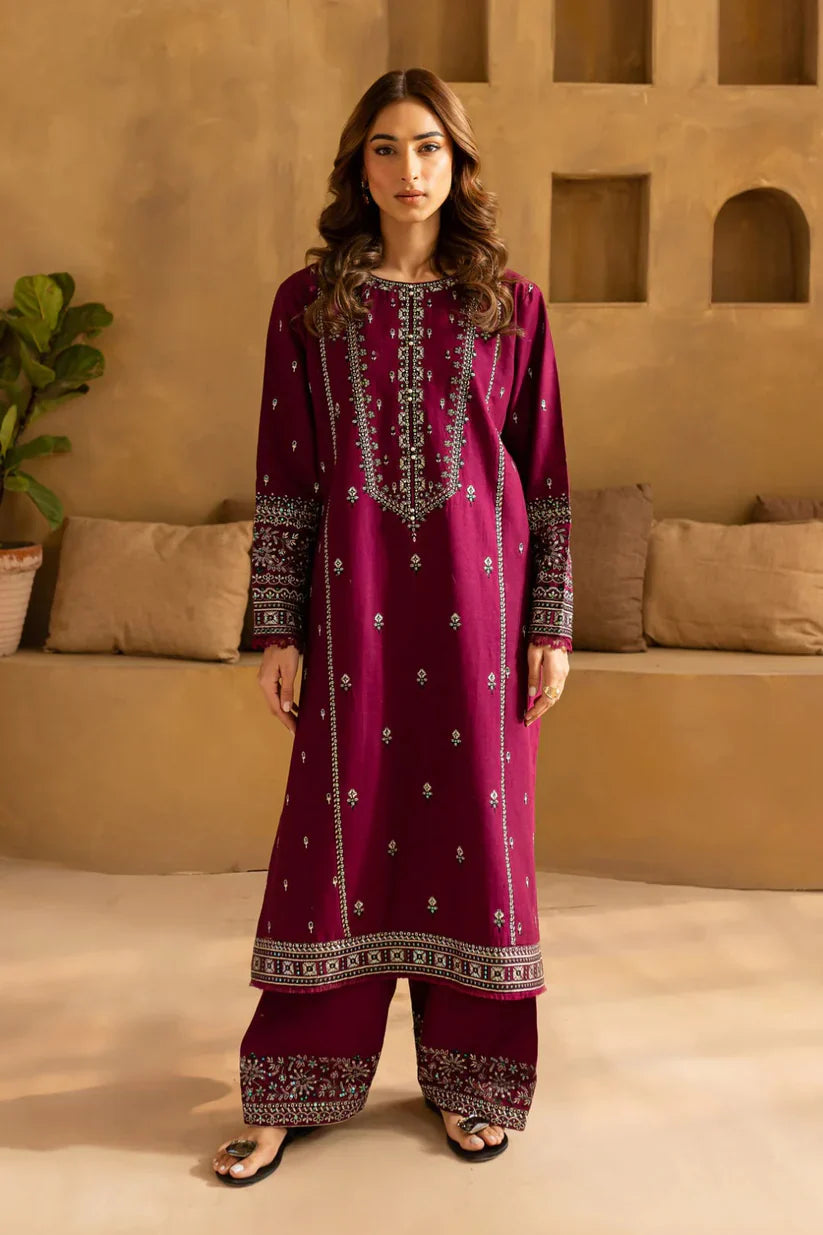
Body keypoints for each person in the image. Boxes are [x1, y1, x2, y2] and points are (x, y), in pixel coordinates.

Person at [213, 66, 573, 1185]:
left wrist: (548, 623)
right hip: (355, 607)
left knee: (481, 833)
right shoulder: (308, 303)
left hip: (481, 607)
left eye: (428, 149)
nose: (408, 171)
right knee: (334, 835)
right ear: (356, 164)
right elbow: (285, 475)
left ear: (457, 164)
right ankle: (294, 1085)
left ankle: (471, 1083)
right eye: (385, 148)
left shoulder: (508, 303)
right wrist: (278, 624)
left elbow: (544, 474)